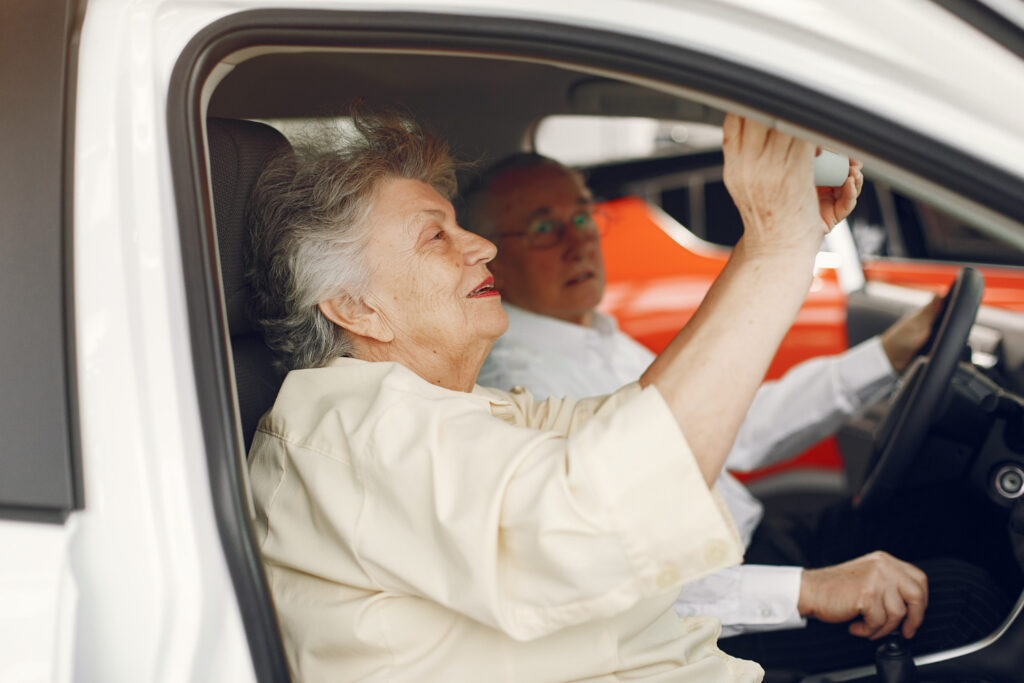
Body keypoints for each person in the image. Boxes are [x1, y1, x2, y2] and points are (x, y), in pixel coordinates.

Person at [243, 109, 864, 681]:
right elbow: (600, 524)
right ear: (354, 307)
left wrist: (785, 241)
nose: (482, 246)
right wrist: (773, 247)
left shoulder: (460, 405)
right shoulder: (357, 429)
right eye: (435, 237)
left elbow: (638, 424)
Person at [462, 152, 1013, 672]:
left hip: (755, 549)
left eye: (583, 215)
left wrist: (888, 354)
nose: (578, 240)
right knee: (966, 604)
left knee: (957, 519)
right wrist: (805, 591)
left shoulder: (592, 338)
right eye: (543, 227)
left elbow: (739, 429)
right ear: (491, 259)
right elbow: (604, 574)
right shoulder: (520, 383)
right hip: (709, 621)